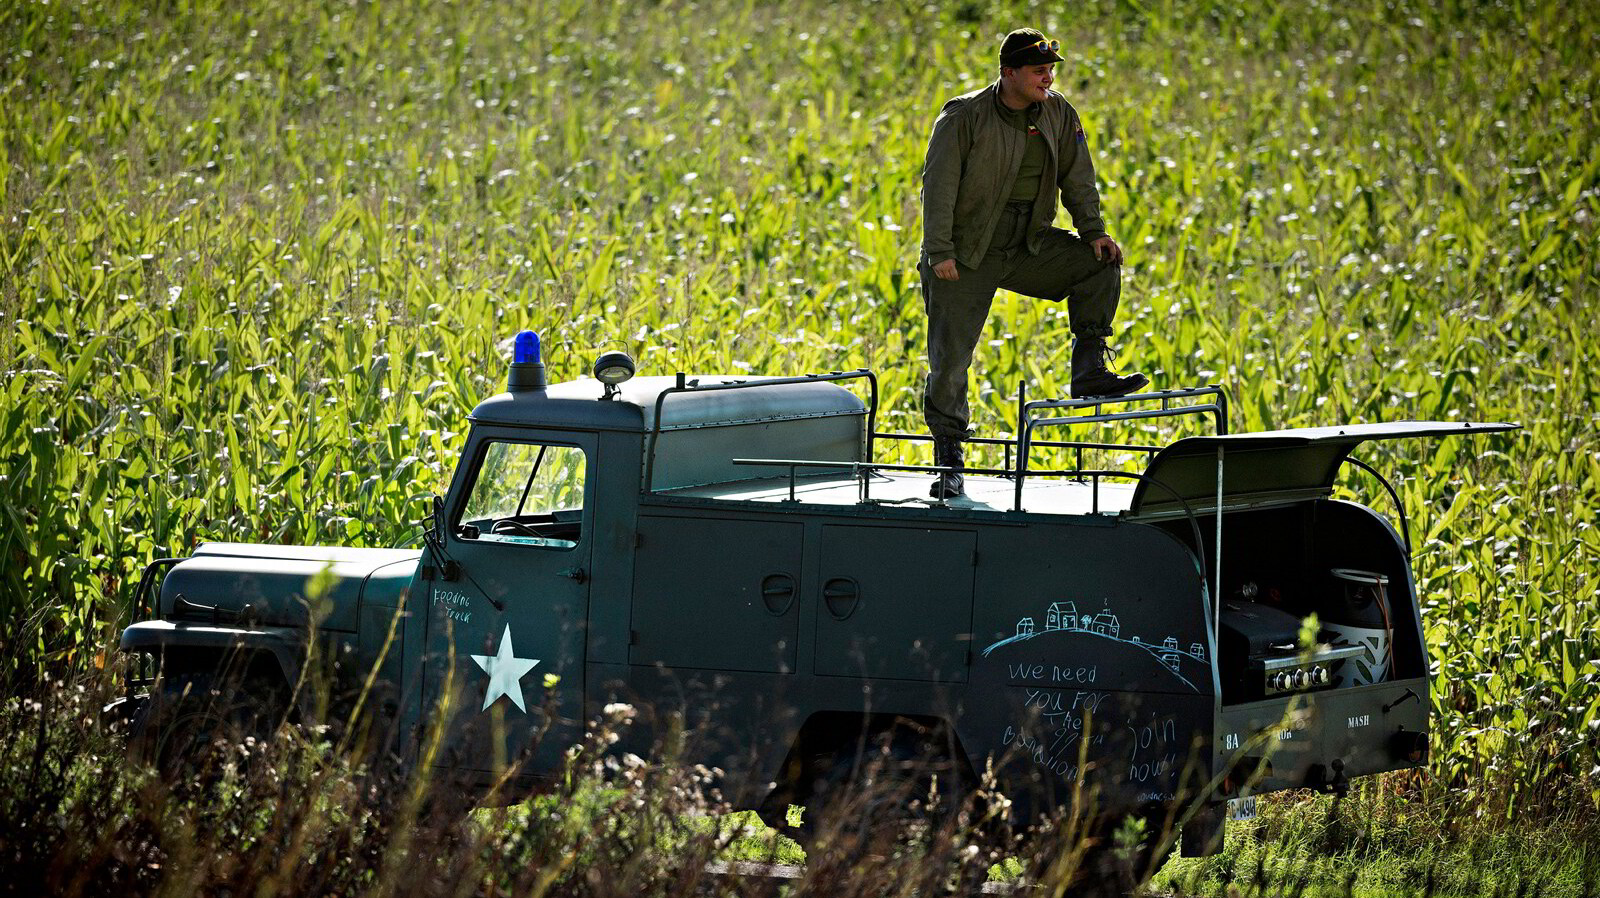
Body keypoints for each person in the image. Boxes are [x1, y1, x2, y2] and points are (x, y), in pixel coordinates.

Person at [920, 28, 1148, 499]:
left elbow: (1078, 176)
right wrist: (939, 251)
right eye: (1038, 71)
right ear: (1008, 73)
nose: (1048, 78)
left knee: (1098, 264)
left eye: (1051, 70)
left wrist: (1094, 232)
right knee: (950, 359)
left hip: (1028, 244)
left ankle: (1089, 369)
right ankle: (948, 460)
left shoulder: (1059, 112)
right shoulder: (965, 117)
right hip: (967, 252)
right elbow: (937, 186)